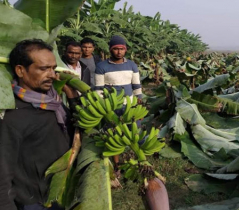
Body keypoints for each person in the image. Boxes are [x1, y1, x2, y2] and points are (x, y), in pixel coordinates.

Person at [0, 39, 78, 210]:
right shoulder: (13, 116)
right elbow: (2, 174)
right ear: (20, 70)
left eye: (53, 68)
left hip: (61, 191)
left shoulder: (52, 101)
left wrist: (71, 95)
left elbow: (75, 128)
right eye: (43, 69)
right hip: (35, 201)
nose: (51, 74)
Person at [95, 35, 142, 108]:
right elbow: (99, 89)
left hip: (130, 104)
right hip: (110, 105)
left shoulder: (132, 65)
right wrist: (102, 105)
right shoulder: (101, 66)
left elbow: (136, 86)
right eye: (116, 49)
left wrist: (139, 102)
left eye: (122, 49)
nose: (119, 52)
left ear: (125, 50)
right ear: (110, 50)